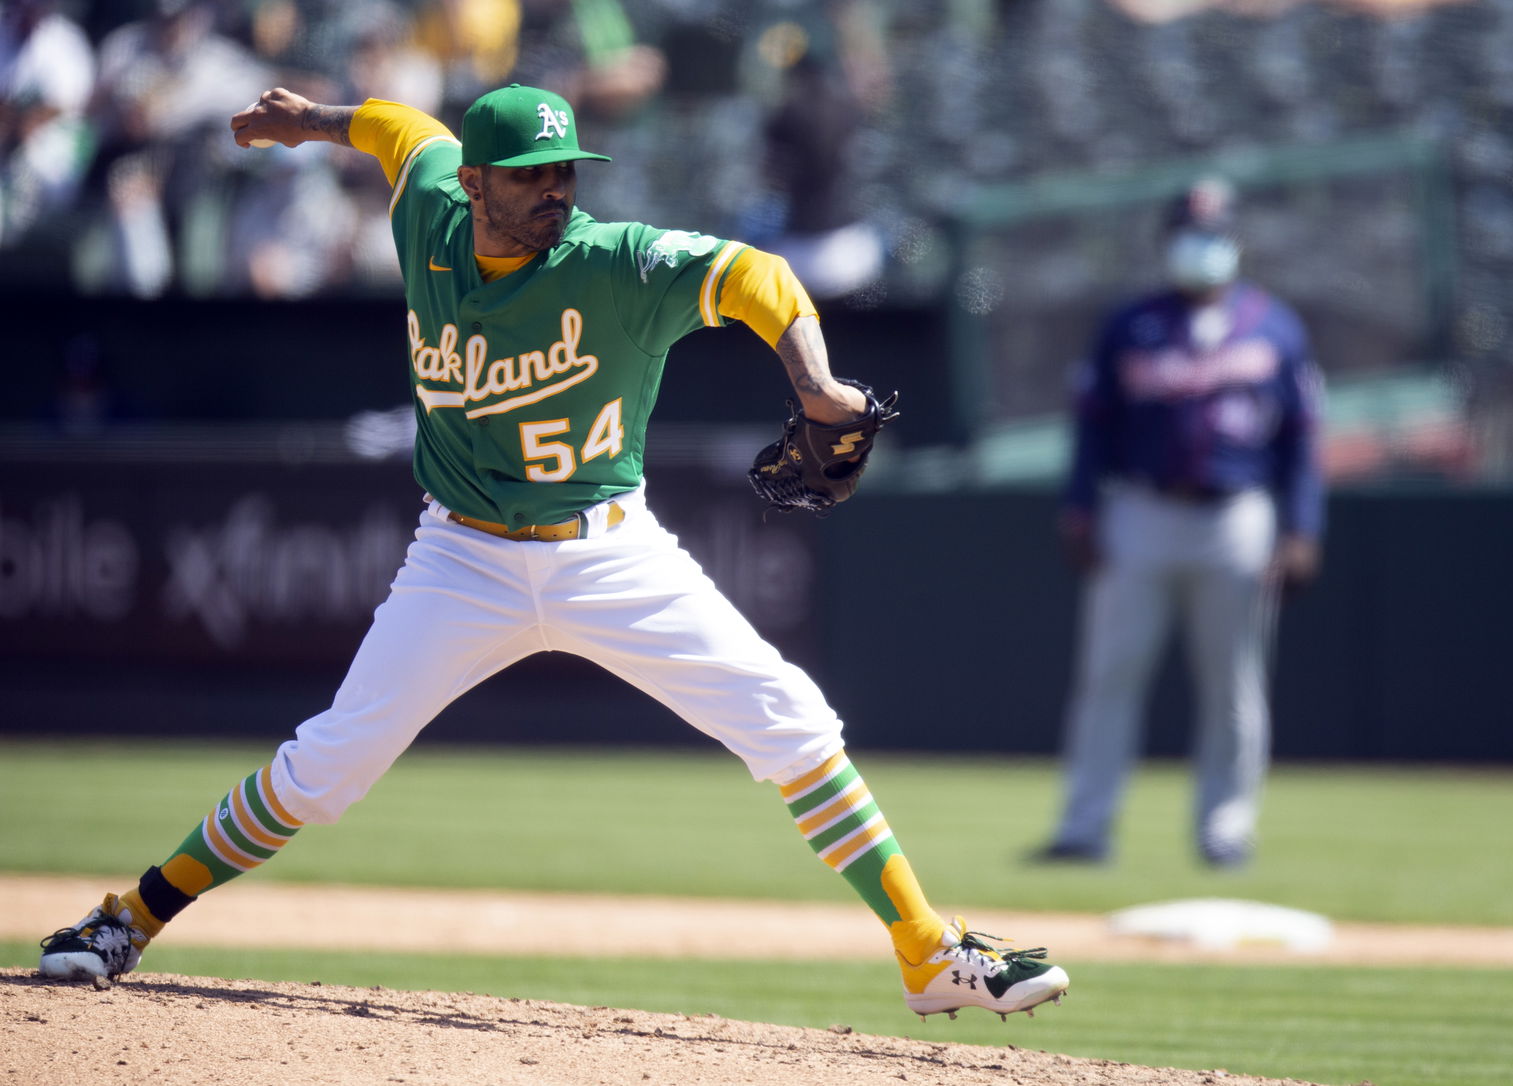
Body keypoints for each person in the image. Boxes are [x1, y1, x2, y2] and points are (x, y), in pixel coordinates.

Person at [38, 82, 1069, 1021]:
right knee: (323, 771)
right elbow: (401, 129)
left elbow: (758, 274)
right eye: (529, 175)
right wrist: (313, 124)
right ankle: (130, 915)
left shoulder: (610, 262)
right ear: (478, 183)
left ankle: (928, 952)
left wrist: (816, 383)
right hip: (461, 559)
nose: (553, 191)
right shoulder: (432, 209)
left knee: (792, 720)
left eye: (565, 170)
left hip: (607, 550)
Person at [1038, 178, 1325, 869]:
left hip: (1237, 516)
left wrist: (1302, 529)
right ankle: (1085, 827)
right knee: (1111, 674)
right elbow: (1092, 429)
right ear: (1168, 241)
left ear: (1236, 241)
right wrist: (1081, 508)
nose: (1202, 246)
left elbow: (1303, 439)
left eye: (1215, 233)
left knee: (1233, 682)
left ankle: (1226, 829)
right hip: (1141, 509)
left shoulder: (1276, 326)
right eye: (1190, 233)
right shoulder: (1130, 325)